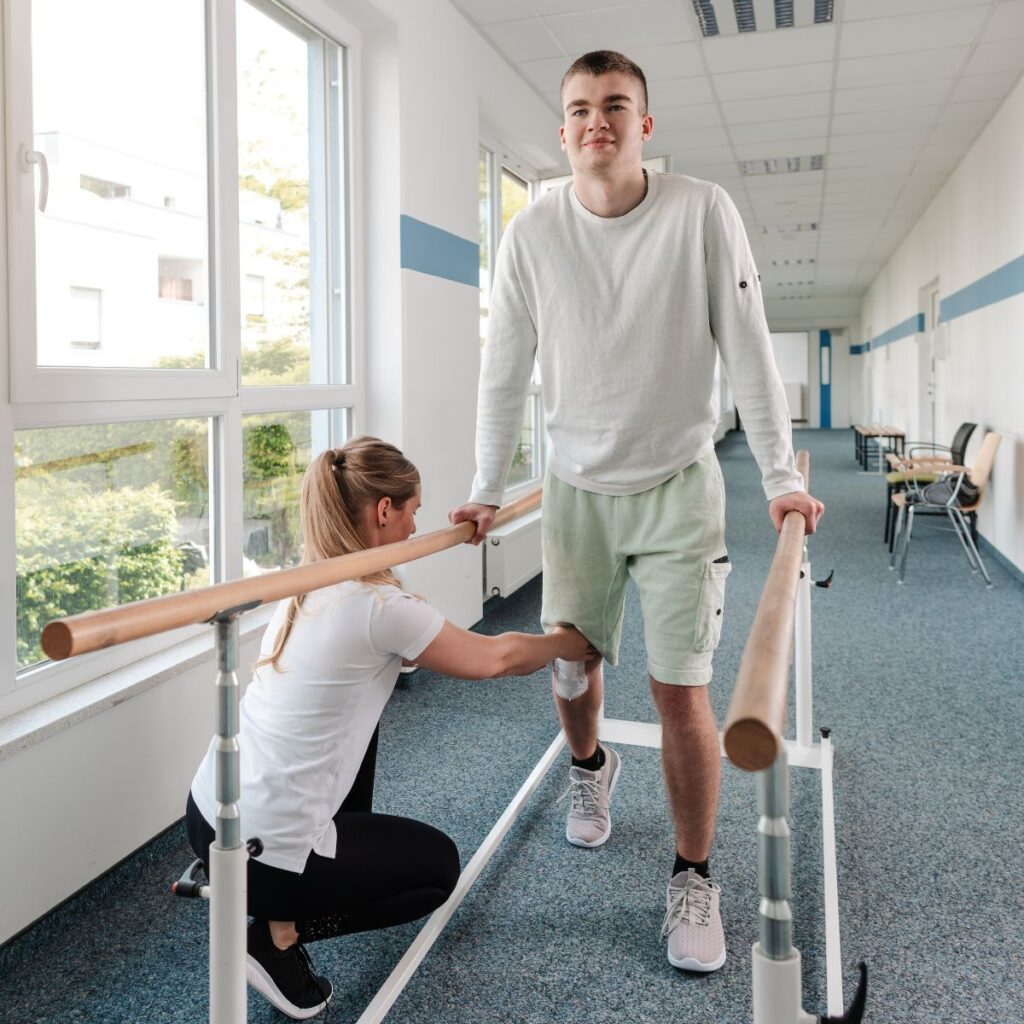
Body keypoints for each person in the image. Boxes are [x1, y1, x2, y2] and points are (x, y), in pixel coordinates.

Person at [449, 50, 825, 973]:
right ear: (563, 130)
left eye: (615, 106)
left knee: (679, 692)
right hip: (577, 489)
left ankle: (693, 873)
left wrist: (780, 475)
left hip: (676, 487)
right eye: (578, 110)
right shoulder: (532, 234)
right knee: (573, 671)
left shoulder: (700, 211)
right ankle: (589, 772)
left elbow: (747, 348)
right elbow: (504, 372)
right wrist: (487, 486)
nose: (595, 123)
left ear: (645, 125)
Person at [186, 435, 594, 1020]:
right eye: (412, 512)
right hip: (261, 850)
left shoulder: (308, 584)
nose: (415, 526)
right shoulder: (380, 609)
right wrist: (574, 643)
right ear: (384, 511)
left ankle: (278, 900)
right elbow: (495, 658)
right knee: (434, 871)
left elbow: (393, 652)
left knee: (365, 717)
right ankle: (275, 937)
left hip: (208, 816)